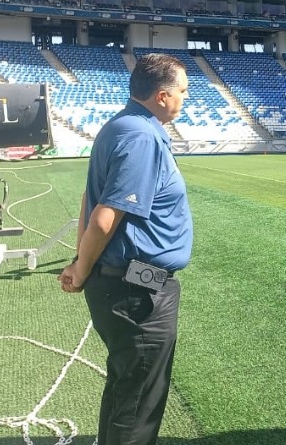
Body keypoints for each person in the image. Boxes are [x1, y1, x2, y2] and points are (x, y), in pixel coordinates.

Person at [58, 53, 192, 445]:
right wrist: (81, 269)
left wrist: (80, 259)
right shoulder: (141, 136)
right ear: (163, 96)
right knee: (138, 402)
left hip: (125, 285)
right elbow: (104, 215)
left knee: (125, 389)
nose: (185, 98)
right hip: (137, 293)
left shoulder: (122, 125)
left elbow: (90, 197)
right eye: (182, 91)